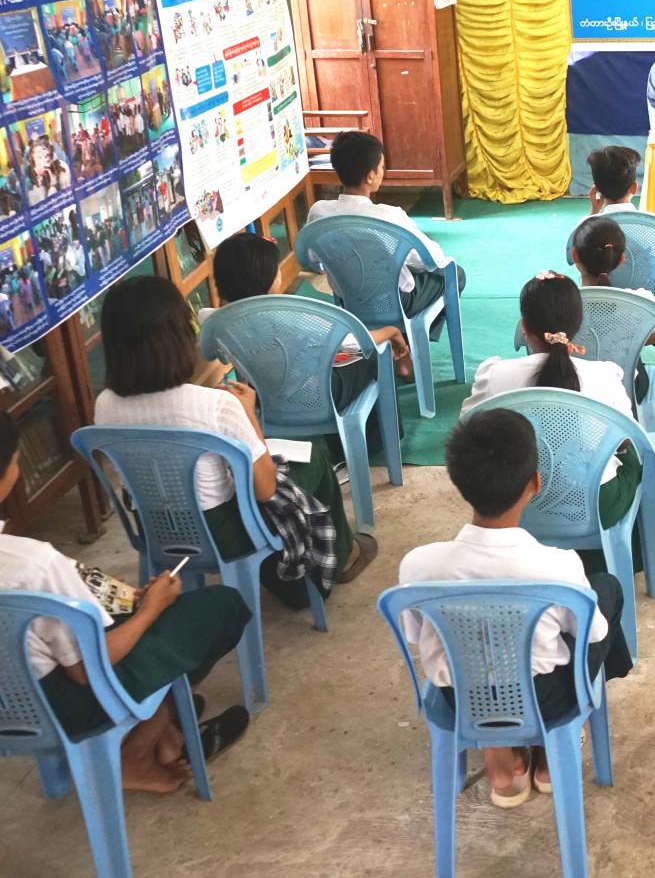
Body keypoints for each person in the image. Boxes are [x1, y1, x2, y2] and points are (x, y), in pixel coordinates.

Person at [0, 414, 253, 794]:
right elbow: (87, 670)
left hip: (11, 698)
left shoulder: (29, 563)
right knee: (222, 606)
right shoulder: (32, 565)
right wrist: (153, 607)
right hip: (61, 707)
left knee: (128, 617)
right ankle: (134, 754)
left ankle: (167, 732)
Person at [91, 276, 374, 607]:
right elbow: (265, 490)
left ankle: (298, 572)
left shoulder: (104, 405)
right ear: (179, 337)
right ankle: (337, 560)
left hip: (153, 530)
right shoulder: (213, 404)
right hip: (222, 533)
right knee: (314, 461)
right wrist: (248, 415)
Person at [398, 408, 633, 805]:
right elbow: (592, 634)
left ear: (457, 482)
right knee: (605, 590)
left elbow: (415, 635)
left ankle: (500, 758)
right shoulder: (557, 566)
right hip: (544, 699)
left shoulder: (418, 566)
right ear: (535, 483)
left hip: (461, 698)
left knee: (477, 645)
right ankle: (550, 752)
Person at [461, 271, 642, 575]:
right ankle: (620, 559)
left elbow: (468, 430)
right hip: (596, 505)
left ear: (524, 326)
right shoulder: (604, 375)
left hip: (516, 501)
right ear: (578, 324)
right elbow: (626, 440)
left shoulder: (494, 375)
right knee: (636, 456)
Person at [207, 231, 414, 458]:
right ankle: (368, 445)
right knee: (372, 356)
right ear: (267, 279)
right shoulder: (291, 314)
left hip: (263, 402)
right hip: (314, 400)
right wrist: (392, 332)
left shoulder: (213, 321)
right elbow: (355, 341)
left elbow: (211, 354)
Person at [306, 131, 464, 342]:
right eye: (382, 167)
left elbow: (311, 259)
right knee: (455, 274)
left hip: (348, 302)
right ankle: (410, 341)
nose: (383, 172)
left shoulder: (318, 213)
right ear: (370, 176)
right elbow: (432, 259)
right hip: (397, 304)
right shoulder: (390, 216)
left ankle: (396, 342)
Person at [570, 215, 655, 404]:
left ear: (575, 255)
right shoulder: (642, 302)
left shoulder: (556, 304)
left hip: (573, 393)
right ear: (621, 259)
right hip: (626, 391)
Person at [586, 144, 655, 311]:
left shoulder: (585, 227)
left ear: (596, 189)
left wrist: (594, 211)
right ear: (634, 187)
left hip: (608, 304)